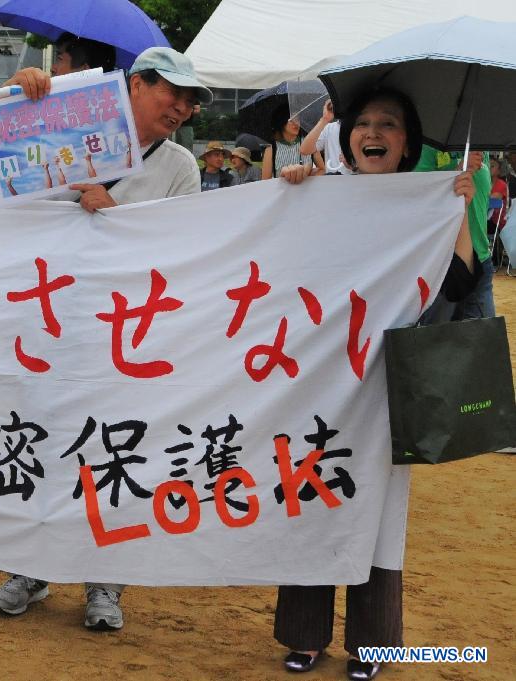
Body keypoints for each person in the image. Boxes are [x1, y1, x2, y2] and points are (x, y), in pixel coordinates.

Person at [0, 47, 212, 629]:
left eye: (190, 101)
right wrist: (19, 102)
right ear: (135, 85)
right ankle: (30, 569)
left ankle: (105, 583)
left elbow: (185, 251)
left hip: (127, 340)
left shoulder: (179, 167)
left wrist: (114, 213)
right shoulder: (60, 128)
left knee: (115, 452)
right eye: (172, 93)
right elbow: (9, 194)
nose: (182, 108)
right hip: (49, 324)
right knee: (43, 442)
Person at [274, 86, 478, 681]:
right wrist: (290, 195)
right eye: (363, 122)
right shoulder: (321, 195)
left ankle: (375, 645)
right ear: (348, 136)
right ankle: (305, 636)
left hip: (394, 387)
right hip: (321, 385)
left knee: (382, 520)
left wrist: (458, 209)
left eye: (388, 124)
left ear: (406, 142)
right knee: (311, 499)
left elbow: (460, 287)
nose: (373, 132)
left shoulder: (426, 204)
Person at [0, 33, 117, 168]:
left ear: (85, 71)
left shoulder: (115, 129)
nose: (53, 68)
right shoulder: (39, 112)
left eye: (59, 59)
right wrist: (4, 102)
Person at [414, 147, 493, 320]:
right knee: (436, 339)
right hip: (441, 264)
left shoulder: (482, 149)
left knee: (483, 342)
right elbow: (417, 192)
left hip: (480, 258)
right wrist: (457, 169)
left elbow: (482, 195)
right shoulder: (427, 146)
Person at [261, 102, 324, 180]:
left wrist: (308, 178)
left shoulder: (308, 142)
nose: (296, 123)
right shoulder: (271, 149)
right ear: (282, 122)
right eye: (291, 120)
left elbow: (322, 169)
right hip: (283, 191)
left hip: (307, 191)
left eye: (297, 119)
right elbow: (265, 181)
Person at [300, 100, 352, 175]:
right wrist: (324, 119)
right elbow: (305, 150)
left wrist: (354, 164)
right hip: (332, 182)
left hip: (359, 181)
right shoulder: (329, 128)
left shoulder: (361, 128)